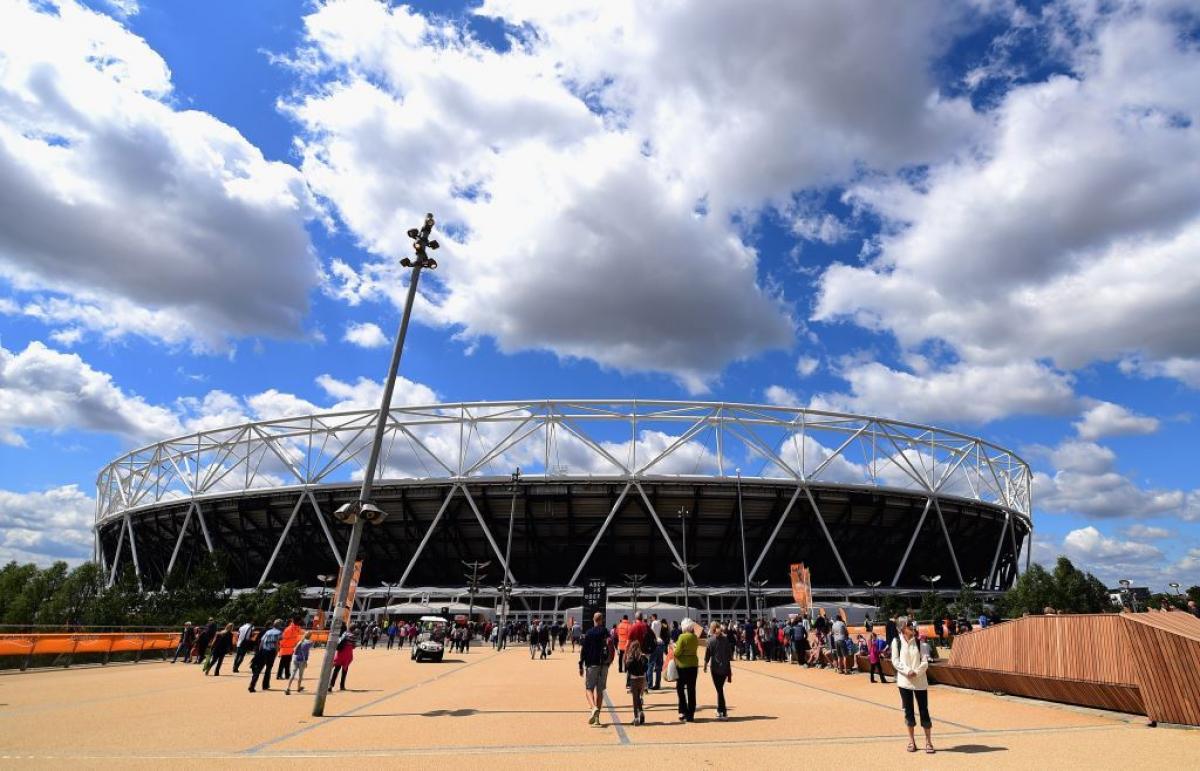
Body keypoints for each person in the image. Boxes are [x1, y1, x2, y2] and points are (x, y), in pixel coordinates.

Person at [891, 621, 934, 754]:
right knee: (908, 712)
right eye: (910, 627)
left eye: (914, 626)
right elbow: (895, 660)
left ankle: (928, 741)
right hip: (905, 682)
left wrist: (916, 672)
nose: (913, 628)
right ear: (903, 628)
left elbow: (925, 661)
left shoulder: (920, 642)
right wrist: (907, 671)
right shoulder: (896, 642)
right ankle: (911, 741)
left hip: (920, 682)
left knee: (924, 711)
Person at [579, 613, 612, 726]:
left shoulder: (589, 633)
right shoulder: (605, 631)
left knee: (589, 689)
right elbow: (610, 644)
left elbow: (584, 650)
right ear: (602, 620)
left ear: (593, 620)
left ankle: (593, 708)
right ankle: (597, 718)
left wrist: (580, 665)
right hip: (604, 664)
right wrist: (610, 660)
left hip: (591, 664)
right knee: (600, 690)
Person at [704, 621, 733, 720]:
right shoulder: (725, 639)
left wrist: (704, 665)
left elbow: (707, 655)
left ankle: (723, 711)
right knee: (720, 689)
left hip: (715, 668)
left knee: (719, 690)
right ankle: (720, 709)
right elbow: (730, 654)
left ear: (711, 629)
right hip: (725, 667)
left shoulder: (710, 640)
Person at [674, 618, 700, 722]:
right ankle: (691, 713)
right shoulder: (694, 637)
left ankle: (683, 709)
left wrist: (674, 647)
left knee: (680, 688)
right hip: (693, 665)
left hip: (682, 665)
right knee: (691, 689)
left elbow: (677, 652)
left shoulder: (682, 637)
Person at [249, 619, 283, 693]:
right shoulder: (279, 632)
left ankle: (252, 685)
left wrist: (260, 650)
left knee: (258, 668)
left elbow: (262, 641)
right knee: (268, 668)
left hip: (263, 651)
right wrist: (277, 652)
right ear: (279, 625)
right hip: (271, 652)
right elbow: (277, 643)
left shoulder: (268, 631)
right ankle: (265, 685)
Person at [625, 639, 648, 725]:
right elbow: (646, 667)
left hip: (634, 679)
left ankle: (636, 717)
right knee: (638, 697)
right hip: (642, 679)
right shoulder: (643, 656)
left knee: (635, 699)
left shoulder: (631, 657)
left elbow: (627, 667)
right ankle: (641, 712)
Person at [277, 616, 302, 681]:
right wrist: (281, 647)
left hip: (290, 648)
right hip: (286, 648)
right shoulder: (289, 629)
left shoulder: (296, 628)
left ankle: (287, 675)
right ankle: (280, 675)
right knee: (283, 663)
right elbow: (283, 639)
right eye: (299, 621)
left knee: (287, 662)